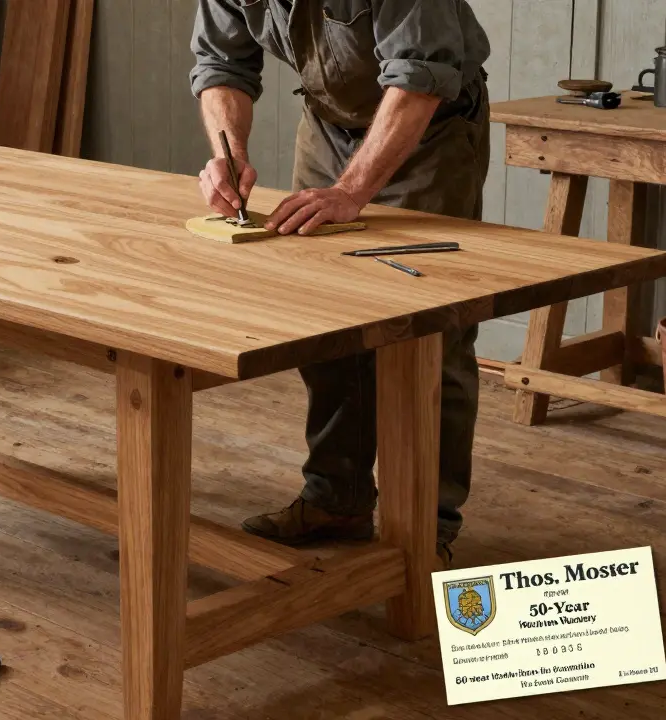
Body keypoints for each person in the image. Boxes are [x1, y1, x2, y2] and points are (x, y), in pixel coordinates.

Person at [191, 0, 492, 567]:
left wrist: (352, 192)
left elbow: (420, 75)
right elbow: (223, 64)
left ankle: (428, 530)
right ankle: (339, 499)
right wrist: (228, 155)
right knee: (328, 320)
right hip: (329, 126)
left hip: (429, 126)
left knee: (430, 330)